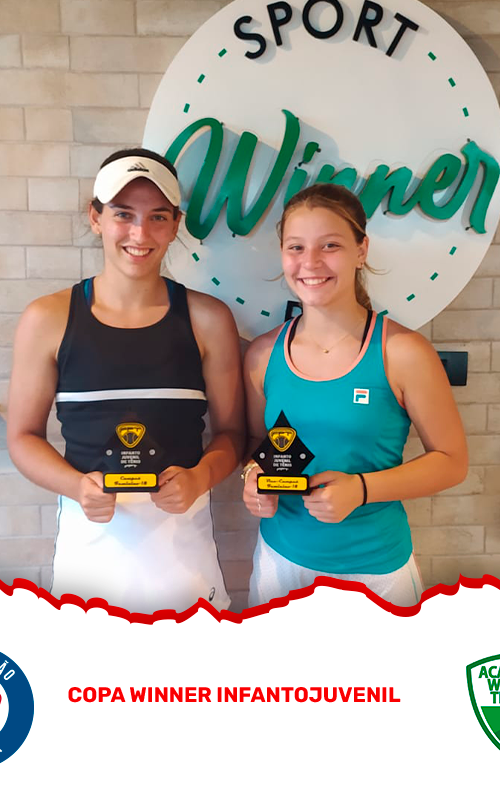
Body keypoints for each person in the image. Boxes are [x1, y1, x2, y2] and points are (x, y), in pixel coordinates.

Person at [7, 147, 244, 614]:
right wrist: (77, 486)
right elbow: (23, 438)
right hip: (89, 552)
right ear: (95, 218)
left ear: (175, 225)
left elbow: (233, 434)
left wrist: (200, 476)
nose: (140, 233)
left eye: (158, 217)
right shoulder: (47, 318)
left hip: (184, 556)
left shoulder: (208, 319)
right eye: (123, 214)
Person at [242, 183, 468, 607]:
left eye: (330, 245)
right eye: (296, 247)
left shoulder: (403, 352)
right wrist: (254, 478)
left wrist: (361, 489)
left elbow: (452, 462)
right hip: (279, 562)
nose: (310, 262)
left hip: (377, 570)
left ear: (361, 250)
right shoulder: (261, 355)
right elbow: (257, 443)